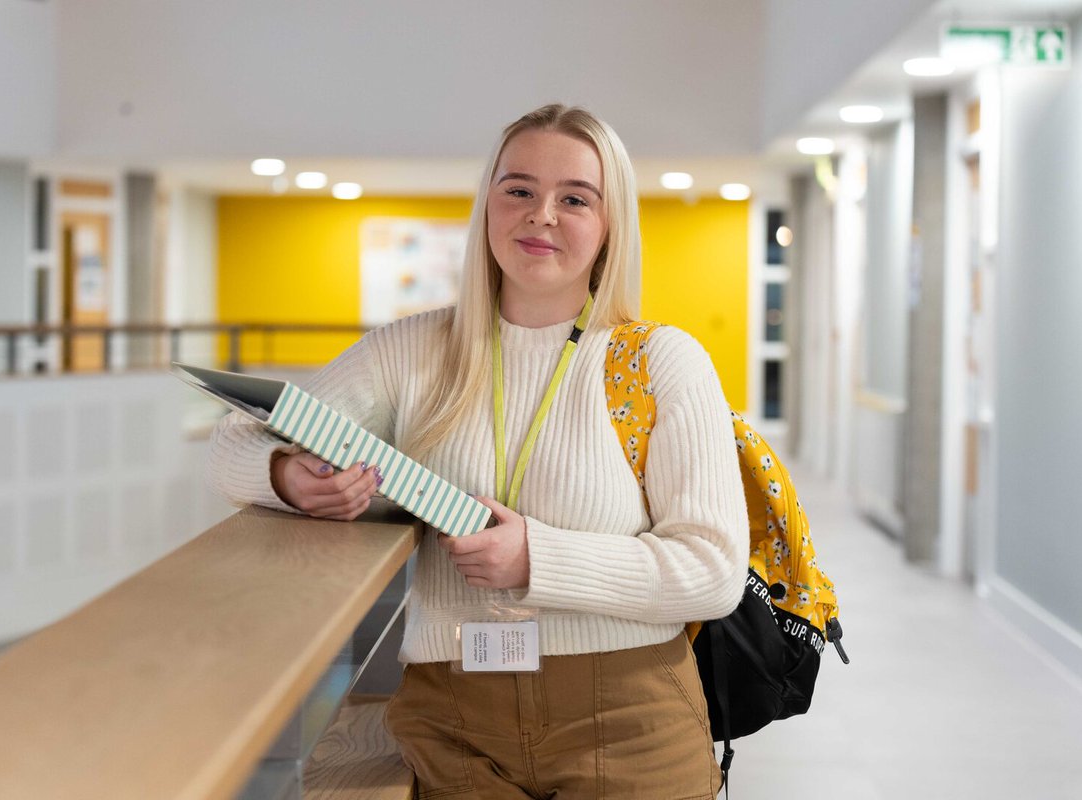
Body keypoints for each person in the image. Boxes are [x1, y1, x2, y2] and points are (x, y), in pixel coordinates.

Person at [207, 103, 749, 798]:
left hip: (630, 720)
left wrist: (538, 559)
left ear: (611, 224)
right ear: (487, 203)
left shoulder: (661, 363)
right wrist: (286, 476)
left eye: (575, 198)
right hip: (454, 720)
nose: (541, 215)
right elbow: (235, 439)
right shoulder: (410, 352)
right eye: (518, 189)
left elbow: (714, 570)